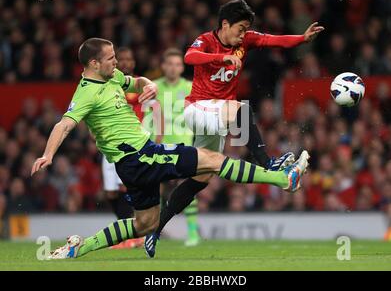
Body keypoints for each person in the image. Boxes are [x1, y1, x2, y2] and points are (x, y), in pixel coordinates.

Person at [30, 37, 309, 260]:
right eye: (111, 58)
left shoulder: (111, 77)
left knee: (145, 225)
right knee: (212, 160)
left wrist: (147, 84)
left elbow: (135, 81)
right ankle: (282, 179)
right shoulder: (86, 92)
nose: (117, 62)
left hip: (132, 164)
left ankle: (79, 247)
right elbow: (64, 125)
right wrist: (48, 154)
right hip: (140, 155)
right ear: (93, 63)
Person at [144, 0, 324, 257]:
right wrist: (222, 59)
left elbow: (273, 39)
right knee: (241, 109)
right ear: (225, 24)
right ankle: (268, 164)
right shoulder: (206, 40)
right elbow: (189, 56)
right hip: (197, 109)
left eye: (245, 30)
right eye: (240, 29)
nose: (243, 35)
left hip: (217, 116)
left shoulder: (246, 40)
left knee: (202, 177)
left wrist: (301, 39)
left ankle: (155, 229)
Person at [145, 48, 200, 246]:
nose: (173, 68)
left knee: (186, 187)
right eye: (170, 64)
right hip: (158, 146)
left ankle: (193, 232)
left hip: (183, 145)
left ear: (182, 67)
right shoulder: (154, 87)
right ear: (163, 66)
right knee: (155, 190)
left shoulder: (191, 87)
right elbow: (147, 116)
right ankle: (154, 231)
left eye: (177, 64)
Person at [101, 46, 144, 249]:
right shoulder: (107, 84)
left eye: (129, 59)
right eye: (122, 59)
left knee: (125, 187)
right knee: (110, 191)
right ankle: (128, 234)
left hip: (131, 144)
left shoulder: (138, 85)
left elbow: (155, 111)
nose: (126, 62)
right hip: (110, 144)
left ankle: (129, 236)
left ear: (134, 63)